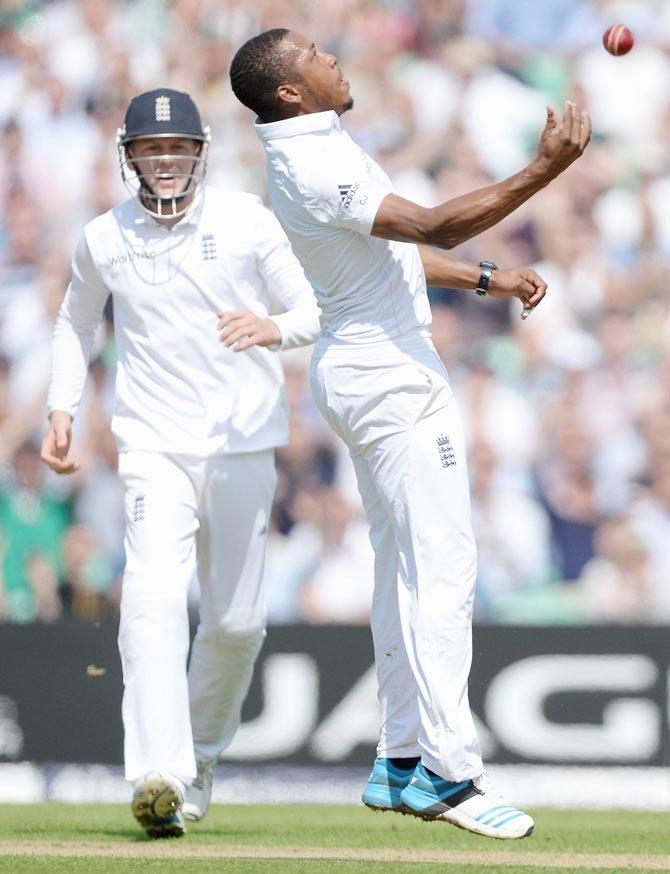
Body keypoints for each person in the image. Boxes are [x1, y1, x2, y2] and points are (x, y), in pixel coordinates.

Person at [229, 29, 591, 840]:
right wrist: (546, 169)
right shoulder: (310, 160)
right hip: (390, 378)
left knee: (401, 566)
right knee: (443, 564)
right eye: (316, 54)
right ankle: (450, 773)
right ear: (288, 91)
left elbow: (396, 253)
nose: (333, 57)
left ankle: (398, 760)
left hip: (365, 369)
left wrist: (485, 279)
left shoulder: (313, 145)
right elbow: (434, 225)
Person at [41, 88, 321, 837]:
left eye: (178, 149)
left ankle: (194, 763)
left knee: (236, 625)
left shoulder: (244, 220)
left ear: (200, 153)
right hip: (153, 448)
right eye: (150, 150)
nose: (165, 162)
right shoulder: (105, 237)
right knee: (152, 601)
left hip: (243, 443)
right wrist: (61, 408)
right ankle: (156, 771)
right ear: (129, 157)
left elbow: (313, 310)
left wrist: (271, 327)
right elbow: (74, 326)